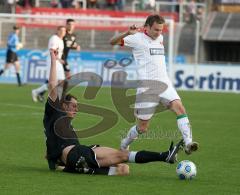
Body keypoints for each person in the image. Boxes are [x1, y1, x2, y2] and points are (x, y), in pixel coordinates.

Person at [44, 48, 184, 175]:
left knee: (124, 167)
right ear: (63, 105)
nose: (77, 109)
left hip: (79, 156)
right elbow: (52, 84)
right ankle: (164, 156)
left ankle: (165, 156)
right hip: (76, 153)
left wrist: (56, 162)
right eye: (73, 106)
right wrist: (53, 59)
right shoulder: (56, 111)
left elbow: (51, 150)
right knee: (122, 157)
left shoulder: (63, 126)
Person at [110, 14, 198, 154]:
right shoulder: (136, 38)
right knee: (142, 128)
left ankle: (188, 143)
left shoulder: (160, 38)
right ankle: (125, 143)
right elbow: (112, 42)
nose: (159, 33)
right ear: (147, 27)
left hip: (164, 83)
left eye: (161, 30)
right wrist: (127, 32)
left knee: (180, 109)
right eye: (156, 30)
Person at [32, 26, 66, 102]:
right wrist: (59, 59)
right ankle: (55, 99)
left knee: (61, 81)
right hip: (52, 61)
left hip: (58, 62)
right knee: (53, 82)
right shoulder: (54, 38)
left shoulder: (61, 40)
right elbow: (52, 50)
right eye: (61, 30)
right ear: (57, 31)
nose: (63, 32)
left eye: (64, 31)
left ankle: (37, 92)